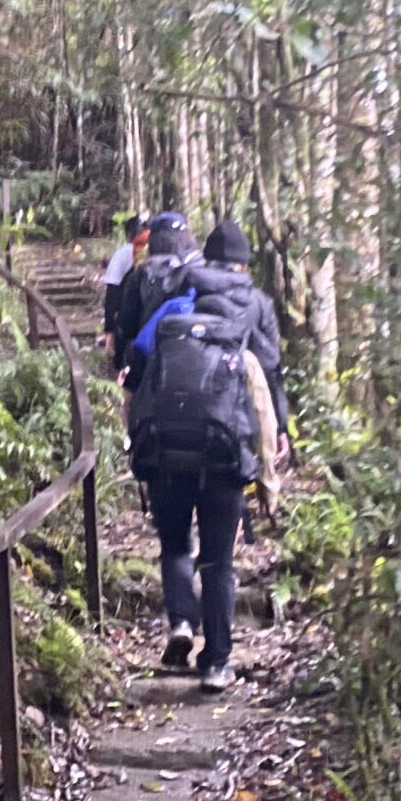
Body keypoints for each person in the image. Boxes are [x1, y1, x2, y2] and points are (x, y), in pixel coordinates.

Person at [119, 214, 289, 689]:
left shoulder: (174, 304)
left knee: (174, 544)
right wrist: (279, 435)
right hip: (226, 449)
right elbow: (270, 374)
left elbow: (135, 367)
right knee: (218, 559)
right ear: (242, 266)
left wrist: (137, 432)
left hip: (168, 445)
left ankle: (180, 624)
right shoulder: (255, 305)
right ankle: (216, 662)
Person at [98, 214, 149, 349]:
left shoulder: (123, 254)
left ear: (128, 235)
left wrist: (109, 331)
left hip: (128, 319)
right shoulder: (158, 252)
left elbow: (112, 292)